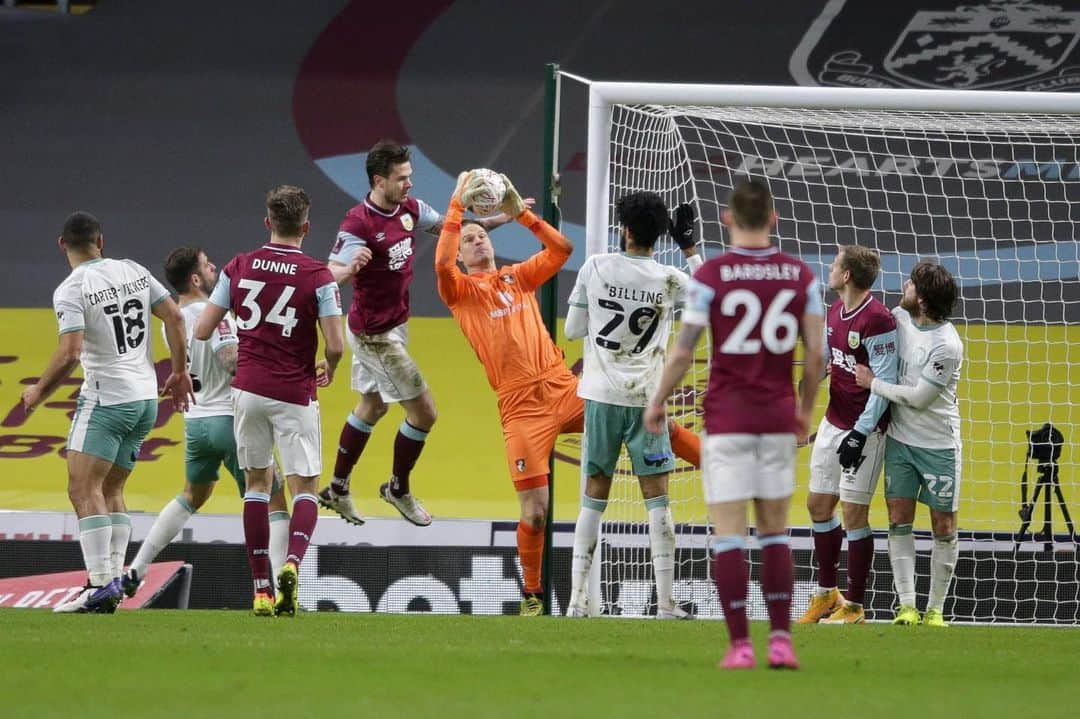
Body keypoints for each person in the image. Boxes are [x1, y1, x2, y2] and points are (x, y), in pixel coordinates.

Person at [435, 172, 701, 616]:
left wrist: (523, 215)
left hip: (563, 387)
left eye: (482, 235)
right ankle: (534, 594)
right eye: (469, 240)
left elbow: (561, 250)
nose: (478, 242)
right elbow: (441, 266)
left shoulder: (515, 279)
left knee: (655, 421)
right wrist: (456, 207)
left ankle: (722, 467)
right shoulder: (459, 291)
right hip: (521, 409)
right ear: (460, 254)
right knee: (535, 512)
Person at [644, 180, 824, 670]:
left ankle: (741, 645)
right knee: (774, 533)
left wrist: (657, 400)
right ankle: (781, 640)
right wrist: (805, 409)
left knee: (728, 533)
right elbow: (816, 354)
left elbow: (683, 351)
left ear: (727, 219)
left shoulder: (713, 277)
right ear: (774, 218)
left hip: (726, 419)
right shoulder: (800, 275)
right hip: (775, 417)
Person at [319, 140, 521, 528]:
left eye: (410, 176)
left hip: (394, 323)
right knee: (425, 412)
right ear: (379, 180)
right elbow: (327, 276)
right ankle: (398, 487)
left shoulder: (409, 210)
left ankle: (338, 488)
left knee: (372, 406)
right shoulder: (357, 224)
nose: (410, 184)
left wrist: (501, 219)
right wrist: (350, 269)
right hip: (375, 335)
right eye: (402, 178)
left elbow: (453, 226)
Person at [21, 211, 192, 613]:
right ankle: (111, 582)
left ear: (63, 245)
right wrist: (181, 371)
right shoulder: (132, 269)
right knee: (111, 490)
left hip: (106, 400)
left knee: (83, 489)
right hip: (145, 400)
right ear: (102, 239)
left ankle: (99, 584)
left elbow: (71, 351)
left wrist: (38, 393)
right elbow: (174, 315)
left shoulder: (71, 288)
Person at [194, 186, 344, 617]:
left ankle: (260, 587)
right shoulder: (318, 276)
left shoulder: (238, 266)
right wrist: (328, 365)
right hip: (295, 392)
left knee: (256, 487)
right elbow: (335, 344)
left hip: (248, 390)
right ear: (307, 227)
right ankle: (292, 565)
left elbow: (204, 329)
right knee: (305, 490)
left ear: (267, 223)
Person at [563, 192, 704, 620]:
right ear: (660, 236)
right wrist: (691, 251)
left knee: (593, 498)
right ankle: (665, 603)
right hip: (648, 401)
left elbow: (572, 331)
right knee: (657, 501)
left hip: (602, 397)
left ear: (623, 230)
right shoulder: (670, 279)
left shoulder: (596, 268)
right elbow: (712, 304)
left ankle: (576, 601)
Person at [121, 247, 291, 598]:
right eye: (207, 264)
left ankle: (136, 568)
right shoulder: (213, 315)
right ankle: (277, 586)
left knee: (191, 495)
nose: (215, 267)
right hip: (229, 419)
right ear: (196, 279)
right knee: (273, 497)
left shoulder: (175, 319)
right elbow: (231, 361)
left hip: (196, 424)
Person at [855, 261, 962, 628]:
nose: (905, 285)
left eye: (912, 283)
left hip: (938, 446)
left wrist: (873, 384)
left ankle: (935, 610)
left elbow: (918, 399)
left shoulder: (947, 345)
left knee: (943, 525)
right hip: (900, 441)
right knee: (898, 520)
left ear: (925, 298)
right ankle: (907, 606)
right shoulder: (898, 317)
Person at [797, 246, 897, 625]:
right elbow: (827, 358)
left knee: (854, 513)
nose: (830, 268)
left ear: (848, 275)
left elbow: (883, 383)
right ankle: (827, 594)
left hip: (865, 432)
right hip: (832, 422)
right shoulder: (835, 310)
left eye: (835, 264)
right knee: (818, 506)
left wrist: (861, 432)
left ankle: (854, 605)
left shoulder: (878, 320)